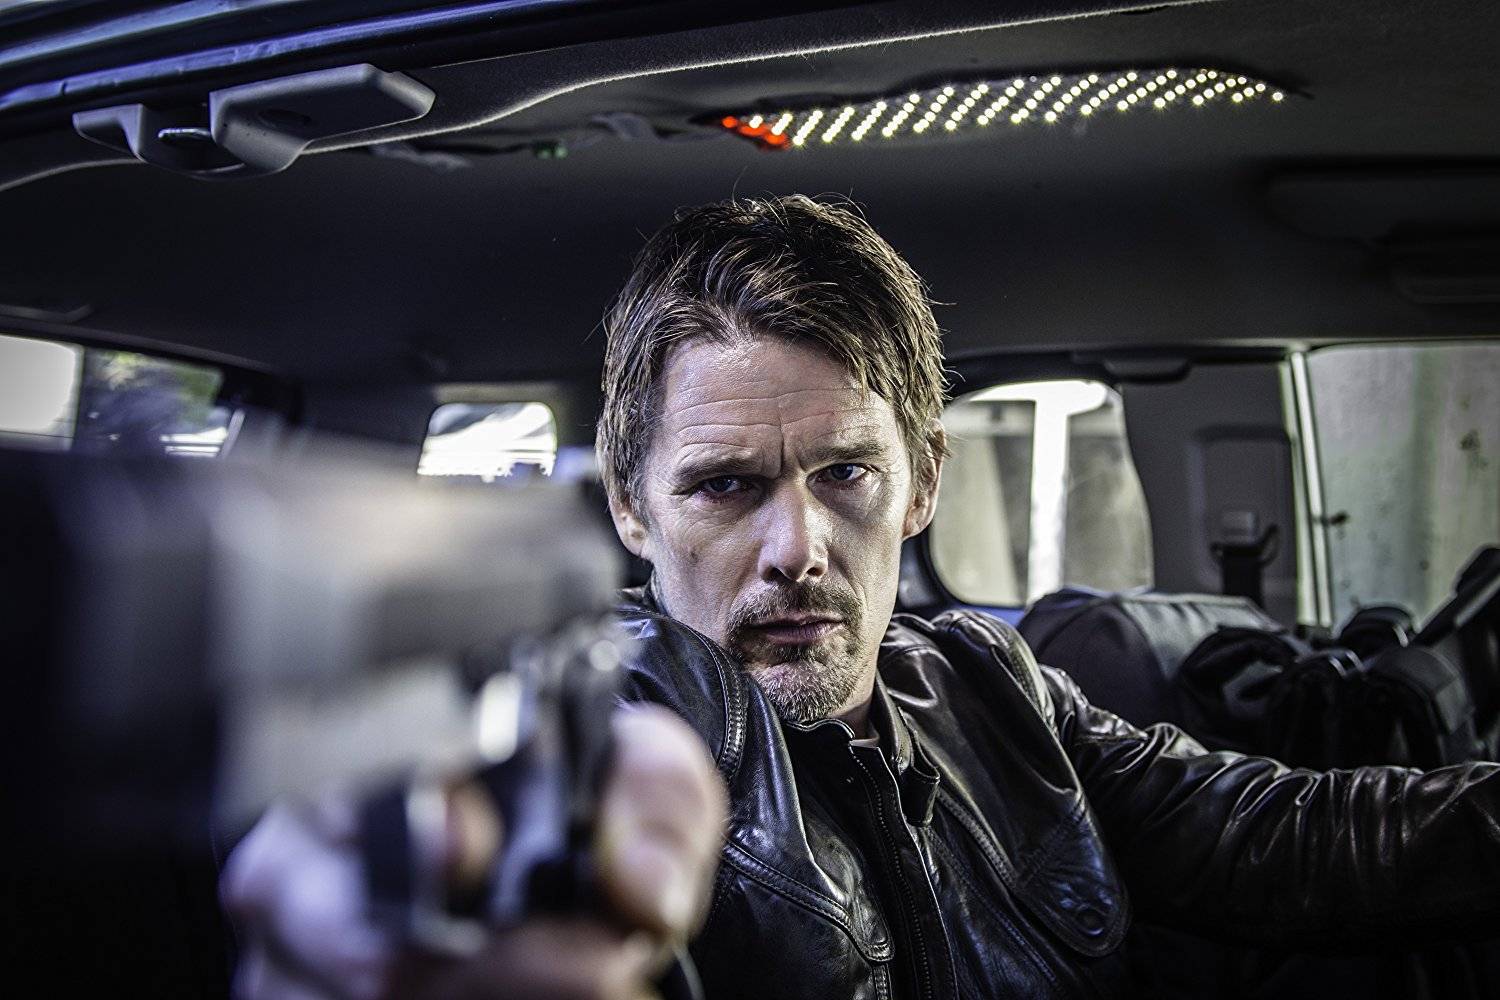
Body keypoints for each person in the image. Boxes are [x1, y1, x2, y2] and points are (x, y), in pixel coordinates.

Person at [226, 195, 1500, 998]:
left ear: (923, 482)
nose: (797, 547)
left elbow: (1279, 833)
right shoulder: (634, 717)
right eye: (725, 486)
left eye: (845, 474)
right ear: (631, 508)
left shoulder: (989, 685)